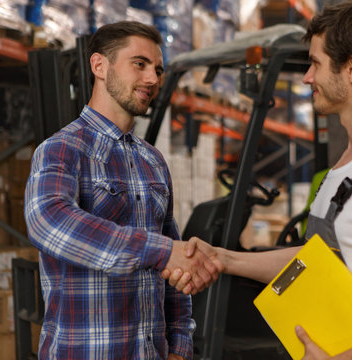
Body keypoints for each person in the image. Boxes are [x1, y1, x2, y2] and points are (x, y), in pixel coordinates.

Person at [162, 1, 352, 359]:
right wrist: (225, 259)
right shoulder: (349, 166)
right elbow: (320, 258)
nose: (307, 77)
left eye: (316, 63)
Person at [24, 21, 223, 360]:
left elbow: (173, 264)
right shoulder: (62, 149)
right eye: (140, 64)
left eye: (158, 70)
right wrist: (159, 251)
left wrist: (180, 345)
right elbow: (48, 220)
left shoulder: (153, 161)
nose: (153, 80)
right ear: (99, 66)